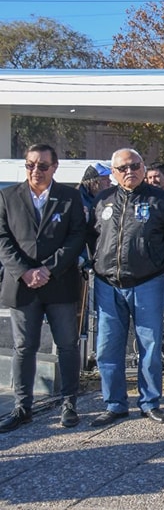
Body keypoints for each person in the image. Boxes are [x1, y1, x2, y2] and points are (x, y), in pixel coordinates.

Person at [88, 148, 164, 427]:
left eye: (135, 165)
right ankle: (115, 404)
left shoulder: (162, 201)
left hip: (147, 283)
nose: (129, 171)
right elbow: (90, 238)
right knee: (108, 348)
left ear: (143, 168)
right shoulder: (102, 200)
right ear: (113, 172)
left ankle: (149, 402)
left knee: (150, 345)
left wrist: (159, 265)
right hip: (108, 285)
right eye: (122, 168)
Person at [0, 144, 87, 432]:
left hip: (58, 283)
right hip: (23, 285)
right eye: (30, 165)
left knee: (67, 345)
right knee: (24, 347)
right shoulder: (8, 196)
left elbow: (76, 237)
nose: (35, 171)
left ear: (55, 167)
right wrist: (25, 272)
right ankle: (22, 406)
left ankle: (69, 403)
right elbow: (3, 240)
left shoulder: (69, 197)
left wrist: (48, 269)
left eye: (42, 166)